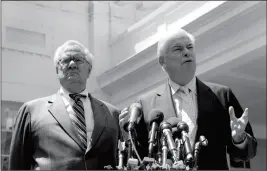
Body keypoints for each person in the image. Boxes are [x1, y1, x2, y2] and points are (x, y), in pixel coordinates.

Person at [119, 29, 257, 170]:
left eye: (189, 47)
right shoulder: (146, 104)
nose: (186, 52)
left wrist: (239, 139)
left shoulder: (222, 95)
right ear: (163, 61)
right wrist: (127, 133)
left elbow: (247, 154)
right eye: (178, 49)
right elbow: (138, 158)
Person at [9, 40, 120, 170]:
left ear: (89, 70)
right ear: (57, 70)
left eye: (78, 60)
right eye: (65, 60)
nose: (72, 64)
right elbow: (17, 165)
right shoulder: (31, 111)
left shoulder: (111, 113)